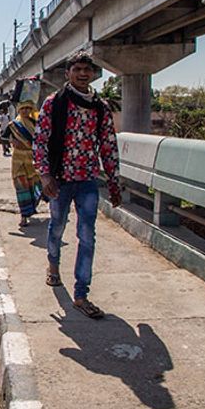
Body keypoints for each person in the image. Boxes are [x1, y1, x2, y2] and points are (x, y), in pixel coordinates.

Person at [33, 51, 121, 320]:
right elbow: (40, 141)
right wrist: (45, 174)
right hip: (59, 180)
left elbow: (108, 145)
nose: (83, 74)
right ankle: (53, 265)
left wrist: (114, 181)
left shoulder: (100, 107)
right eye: (78, 69)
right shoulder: (54, 103)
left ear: (93, 73)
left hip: (87, 179)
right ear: (68, 74)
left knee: (87, 236)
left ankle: (81, 294)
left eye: (87, 69)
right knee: (57, 226)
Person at [1, 101, 42, 227]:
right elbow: (1, 138)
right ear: (19, 110)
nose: (25, 111)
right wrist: (12, 141)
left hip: (32, 159)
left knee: (35, 185)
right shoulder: (13, 125)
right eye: (23, 108)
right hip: (18, 160)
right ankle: (24, 215)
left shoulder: (35, 123)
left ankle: (32, 207)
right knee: (22, 187)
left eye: (28, 108)